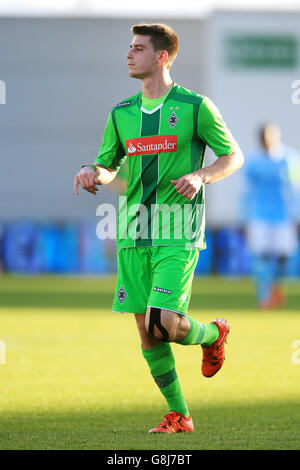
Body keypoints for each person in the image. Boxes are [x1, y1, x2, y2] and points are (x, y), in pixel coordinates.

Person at [74, 23, 244, 433]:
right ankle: (180, 415)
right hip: (133, 231)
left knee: (162, 323)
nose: (128, 55)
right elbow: (108, 163)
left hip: (177, 229)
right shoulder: (121, 113)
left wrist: (201, 176)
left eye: (137, 48)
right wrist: (89, 170)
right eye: (129, 48)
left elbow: (232, 156)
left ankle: (212, 334)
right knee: (146, 329)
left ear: (162, 56)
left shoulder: (195, 107)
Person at [243, 123, 299, 309]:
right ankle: (264, 296)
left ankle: (274, 285)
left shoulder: (288, 159)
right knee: (262, 255)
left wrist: (296, 215)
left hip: (283, 216)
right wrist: (244, 216)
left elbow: (295, 188)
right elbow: (245, 190)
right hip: (259, 216)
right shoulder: (253, 161)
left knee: (285, 257)